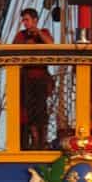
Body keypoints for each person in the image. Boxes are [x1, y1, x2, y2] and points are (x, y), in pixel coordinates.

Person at [14, 8, 54, 149]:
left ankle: (43, 139)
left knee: (41, 109)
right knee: (29, 109)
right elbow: (14, 49)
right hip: (26, 76)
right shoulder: (21, 35)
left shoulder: (44, 32)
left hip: (41, 76)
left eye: (27, 20)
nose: (24, 23)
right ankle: (35, 138)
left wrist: (38, 34)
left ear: (35, 20)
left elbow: (51, 45)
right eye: (23, 20)